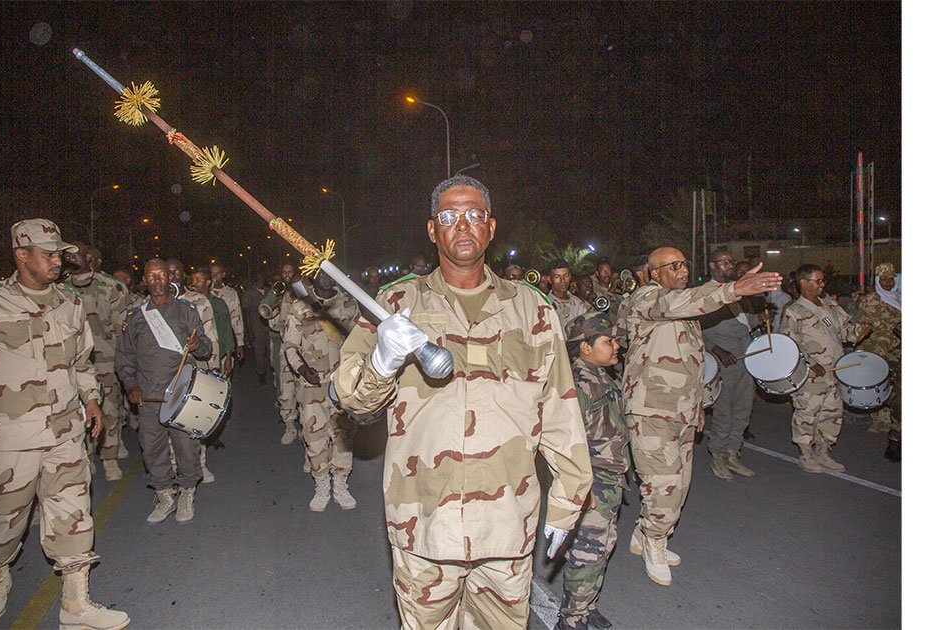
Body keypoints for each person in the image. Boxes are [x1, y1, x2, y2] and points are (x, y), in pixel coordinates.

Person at [331, 175, 592, 629]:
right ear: (433, 231)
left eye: (475, 214)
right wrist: (381, 360)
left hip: (506, 523)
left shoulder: (534, 309)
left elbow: (560, 410)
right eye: (450, 216)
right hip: (424, 524)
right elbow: (353, 399)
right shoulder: (396, 304)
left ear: (491, 227)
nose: (463, 224)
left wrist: (570, 499)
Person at [0, 218, 129, 629]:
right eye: (48, 254)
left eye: (58, 254)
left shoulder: (70, 301)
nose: (57, 260)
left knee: (73, 514)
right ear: (21, 254)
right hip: (8, 438)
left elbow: (81, 360)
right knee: (3, 522)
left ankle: (76, 603)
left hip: (65, 431)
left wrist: (91, 398)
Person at [621, 246, 781, 586]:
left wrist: (698, 406)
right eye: (673, 266)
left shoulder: (685, 307)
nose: (682, 270)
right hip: (651, 410)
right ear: (654, 273)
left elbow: (692, 363)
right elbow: (681, 303)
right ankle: (655, 543)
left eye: (684, 264)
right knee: (663, 486)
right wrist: (733, 289)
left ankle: (645, 533)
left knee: (678, 485)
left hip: (681, 410)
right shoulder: (646, 298)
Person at [115, 260, 214, 525]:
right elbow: (124, 356)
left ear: (169, 278)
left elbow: (206, 348)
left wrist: (198, 344)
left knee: (186, 447)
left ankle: (187, 492)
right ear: (145, 281)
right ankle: (164, 494)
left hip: (181, 394)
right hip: (148, 394)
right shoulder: (135, 316)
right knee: (152, 447)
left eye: (162, 275)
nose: (157, 280)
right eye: (152, 276)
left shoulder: (186, 311)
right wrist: (130, 385)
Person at [556, 314, 630, 630]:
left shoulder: (602, 376)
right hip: (593, 479)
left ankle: (586, 606)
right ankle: (571, 620)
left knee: (603, 547)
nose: (616, 346)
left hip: (611, 478)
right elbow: (568, 442)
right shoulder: (579, 385)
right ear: (585, 347)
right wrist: (582, 487)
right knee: (586, 553)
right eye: (608, 341)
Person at [282, 270, 361, 510]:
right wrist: (302, 369)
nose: (326, 277)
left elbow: (362, 341)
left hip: (342, 384)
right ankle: (321, 485)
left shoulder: (348, 304)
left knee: (343, 435)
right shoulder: (300, 307)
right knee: (314, 437)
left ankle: (341, 483)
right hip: (311, 385)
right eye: (320, 273)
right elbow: (290, 346)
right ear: (312, 277)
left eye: (329, 272)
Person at [780, 264, 871, 473]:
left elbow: (845, 333)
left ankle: (823, 451)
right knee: (807, 413)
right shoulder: (794, 311)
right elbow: (788, 344)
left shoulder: (830, 306)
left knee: (831, 413)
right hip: (811, 375)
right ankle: (806, 454)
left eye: (823, 281)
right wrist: (810, 363)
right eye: (818, 281)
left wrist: (860, 330)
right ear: (804, 283)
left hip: (834, 372)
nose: (822, 285)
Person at [64, 241, 130, 481]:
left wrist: (125, 364)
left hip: (105, 360)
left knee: (109, 409)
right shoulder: (60, 288)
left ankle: (109, 458)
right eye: (68, 256)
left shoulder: (111, 287)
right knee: (76, 412)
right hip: (70, 363)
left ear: (89, 258)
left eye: (78, 255)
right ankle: (87, 456)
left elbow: (124, 330)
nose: (73, 259)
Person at [697, 249, 762, 480]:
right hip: (722, 361)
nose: (729, 266)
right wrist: (716, 350)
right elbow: (695, 333)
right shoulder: (705, 294)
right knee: (724, 413)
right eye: (724, 262)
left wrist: (760, 318)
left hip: (745, 359)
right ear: (712, 266)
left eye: (730, 262)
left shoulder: (736, 292)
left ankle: (733, 453)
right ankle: (718, 456)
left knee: (743, 410)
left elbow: (746, 322)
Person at [168, 258, 220, 481]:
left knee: (196, 417)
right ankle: (174, 466)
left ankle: (200, 463)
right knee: (170, 420)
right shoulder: (155, 302)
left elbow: (211, 336)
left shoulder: (199, 301)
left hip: (195, 367)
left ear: (183, 275)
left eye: (176, 272)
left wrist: (214, 370)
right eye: (168, 272)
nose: (172, 276)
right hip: (167, 370)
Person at [853, 262, 902, 462]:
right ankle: (878, 418)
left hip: (898, 350)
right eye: (883, 280)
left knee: (896, 388)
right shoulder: (871, 300)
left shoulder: (900, 298)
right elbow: (860, 324)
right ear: (877, 281)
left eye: (890, 279)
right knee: (878, 383)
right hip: (878, 349)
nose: (887, 283)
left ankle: (891, 421)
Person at [262, 263, 302, 445]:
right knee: (286, 390)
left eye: (290, 272)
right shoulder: (282, 294)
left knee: (305, 391)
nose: (287, 275)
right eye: (284, 272)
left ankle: (306, 426)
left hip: (306, 352)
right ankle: (290, 426)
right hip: (287, 348)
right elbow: (273, 321)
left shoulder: (307, 294)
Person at [209, 263, 246, 373]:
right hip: (209, 342)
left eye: (217, 273)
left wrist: (240, 343)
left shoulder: (230, 293)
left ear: (223, 274)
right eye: (212, 273)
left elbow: (236, 318)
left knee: (224, 375)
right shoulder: (205, 292)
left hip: (225, 340)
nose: (214, 276)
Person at [241, 272, 272, 384]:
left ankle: (273, 372)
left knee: (272, 352)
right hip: (256, 327)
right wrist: (249, 331)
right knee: (259, 353)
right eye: (259, 277)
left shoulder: (269, 291)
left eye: (262, 277)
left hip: (270, 327)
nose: (261, 279)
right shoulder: (249, 293)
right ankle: (261, 374)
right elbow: (246, 313)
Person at [548, 260, 589, 330]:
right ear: (549, 279)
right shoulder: (545, 304)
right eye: (557, 277)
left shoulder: (577, 303)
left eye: (566, 276)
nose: (562, 280)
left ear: (570, 276)